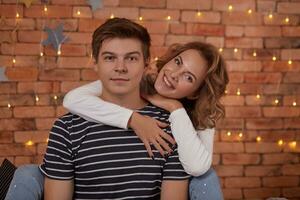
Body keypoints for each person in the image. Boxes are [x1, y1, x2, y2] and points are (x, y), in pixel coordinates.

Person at [6, 25, 228, 200]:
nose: (120, 67)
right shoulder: (68, 126)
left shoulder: (179, 127)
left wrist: (174, 107)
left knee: (206, 177)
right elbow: (72, 99)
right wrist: (132, 119)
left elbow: (198, 167)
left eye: (131, 58)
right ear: (95, 63)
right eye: (110, 57)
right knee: (27, 173)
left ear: (145, 63)